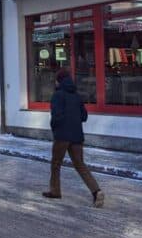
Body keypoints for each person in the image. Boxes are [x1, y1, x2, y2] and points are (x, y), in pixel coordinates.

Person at [42, 69, 104, 208]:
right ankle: (96, 191)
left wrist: (55, 128)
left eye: (56, 80)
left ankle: (55, 191)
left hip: (62, 136)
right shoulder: (76, 96)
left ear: (59, 81)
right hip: (77, 135)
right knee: (80, 164)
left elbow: (56, 116)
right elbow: (84, 116)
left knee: (56, 163)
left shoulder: (58, 95)